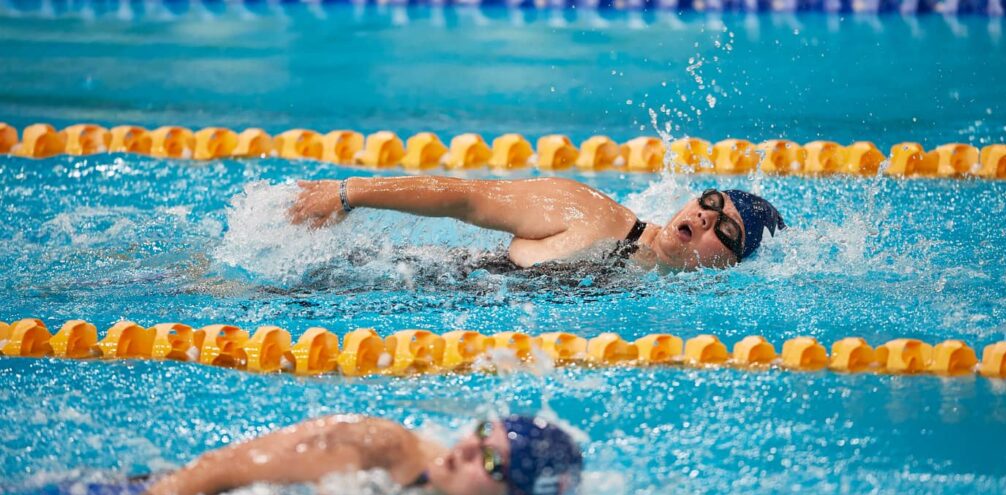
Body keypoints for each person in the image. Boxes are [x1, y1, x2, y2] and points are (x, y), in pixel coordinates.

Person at [288, 177, 785, 271]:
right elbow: (465, 197)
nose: (704, 216)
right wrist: (346, 193)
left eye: (725, 228)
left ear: (730, 264)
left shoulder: (672, 303)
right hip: (361, 282)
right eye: (710, 201)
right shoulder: (589, 212)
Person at [143, 414, 582, 495]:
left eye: (489, 462)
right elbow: (219, 470)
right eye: (484, 432)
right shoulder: (382, 448)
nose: (466, 447)